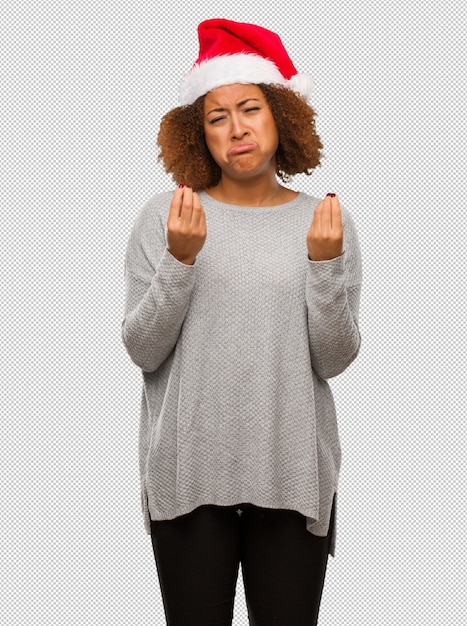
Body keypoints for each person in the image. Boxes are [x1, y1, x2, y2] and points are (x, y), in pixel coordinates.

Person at [122, 18, 362, 626]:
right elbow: (143, 349)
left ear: (282, 114)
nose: (236, 130)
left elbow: (333, 358)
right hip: (188, 475)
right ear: (197, 134)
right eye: (216, 117)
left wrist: (325, 266)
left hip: (292, 475)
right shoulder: (167, 215)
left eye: (250, 108)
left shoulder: (325, 223)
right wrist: (180, 258)